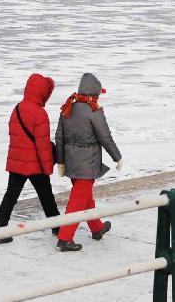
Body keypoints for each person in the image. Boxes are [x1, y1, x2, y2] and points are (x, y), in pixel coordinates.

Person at [54, 72, 123, 252]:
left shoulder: (67, 109)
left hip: (71, 161)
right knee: (77, 201)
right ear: (95, 94)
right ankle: (65, 238)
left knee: (85, 197)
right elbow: (105, 137)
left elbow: (59, 138)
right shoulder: (94, 111)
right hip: (87, 163)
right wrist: (117, 157)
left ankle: (97, 229)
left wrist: (61, 162)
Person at [0, 73, 60, 243]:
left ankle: (1, 231)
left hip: (16, 162)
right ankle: (57, 227)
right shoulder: (40, 114)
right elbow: (43, 145)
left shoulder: (16, 109)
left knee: (10, 196)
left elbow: (14, 136)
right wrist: (47, 168)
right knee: (46, 197)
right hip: (35, 165)